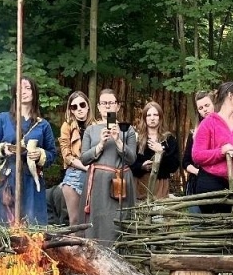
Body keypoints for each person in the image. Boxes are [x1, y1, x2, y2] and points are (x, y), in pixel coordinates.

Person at [0, 78, 58, 226]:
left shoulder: (42, 125)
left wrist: (40, 154)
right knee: (6, 225)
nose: (23, 92)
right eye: (20, 88)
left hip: (32, 181)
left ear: (34, 93)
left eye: (27, 88)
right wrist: (3, 149)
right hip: (9, 178)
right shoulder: (3, 119)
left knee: (33, 226)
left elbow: (52, 154)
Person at [188, 81, 233, 211]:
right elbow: (197, 155)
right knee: (217, 227)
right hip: (212, 185)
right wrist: (222, 151)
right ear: (230, 96)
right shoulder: (208, 124)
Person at [80, 87, 139, 243]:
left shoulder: (128, 130)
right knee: (96, 222)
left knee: (117, 222)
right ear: (98, 107)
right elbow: (84, 159)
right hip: (97, 185)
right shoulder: (90, 130)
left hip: (120, 183)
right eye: (104, 103)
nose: (107, 106)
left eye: (111, 103)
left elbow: (132, 159)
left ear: (117, 106)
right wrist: (100, 144)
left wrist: (118, 140)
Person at [130, 100, 181, 199]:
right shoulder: (136, 139)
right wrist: (142, 166)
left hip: (160, 184)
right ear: (144, 118)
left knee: (158, 213)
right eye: (149, 115)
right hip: (140, 184)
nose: (152, 118)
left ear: (160, 117)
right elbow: (129, 163)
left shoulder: (168, 139)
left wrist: (161, 152)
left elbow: (174, 166)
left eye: (155, 115)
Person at [58, 91, 91, 228]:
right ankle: (74, 249)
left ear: (88, 106)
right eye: (74, 107)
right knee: (75, 220)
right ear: (70, 110)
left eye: (82, 105)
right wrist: (85, 167)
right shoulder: (67, 126)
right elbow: (67, 156)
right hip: (74, 175)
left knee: (91, 220)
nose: (79, 109)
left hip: (94, 175)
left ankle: (91, 249)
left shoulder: (96, 125)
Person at [182, 91, 215, 189]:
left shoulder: (223, 129)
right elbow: (185, 162)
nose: (205, 109)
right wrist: (198, 172)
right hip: (197, 182)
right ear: (198, 111)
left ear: (214, 105)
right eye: (201, 108)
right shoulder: (194, 134)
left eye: (207, 105)